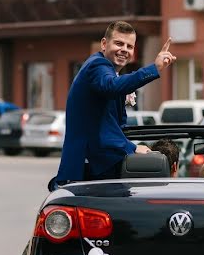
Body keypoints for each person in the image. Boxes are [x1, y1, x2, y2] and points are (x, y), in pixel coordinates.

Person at [52, 21, 176, 189]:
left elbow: (108, 119)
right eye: (119, 43)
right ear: (104, 44)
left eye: (129, 46)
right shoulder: (97, 65)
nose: (124, 49)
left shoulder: (108, 71)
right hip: (91, 168)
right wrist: (155, 68)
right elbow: (111, 87)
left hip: (97, 166)